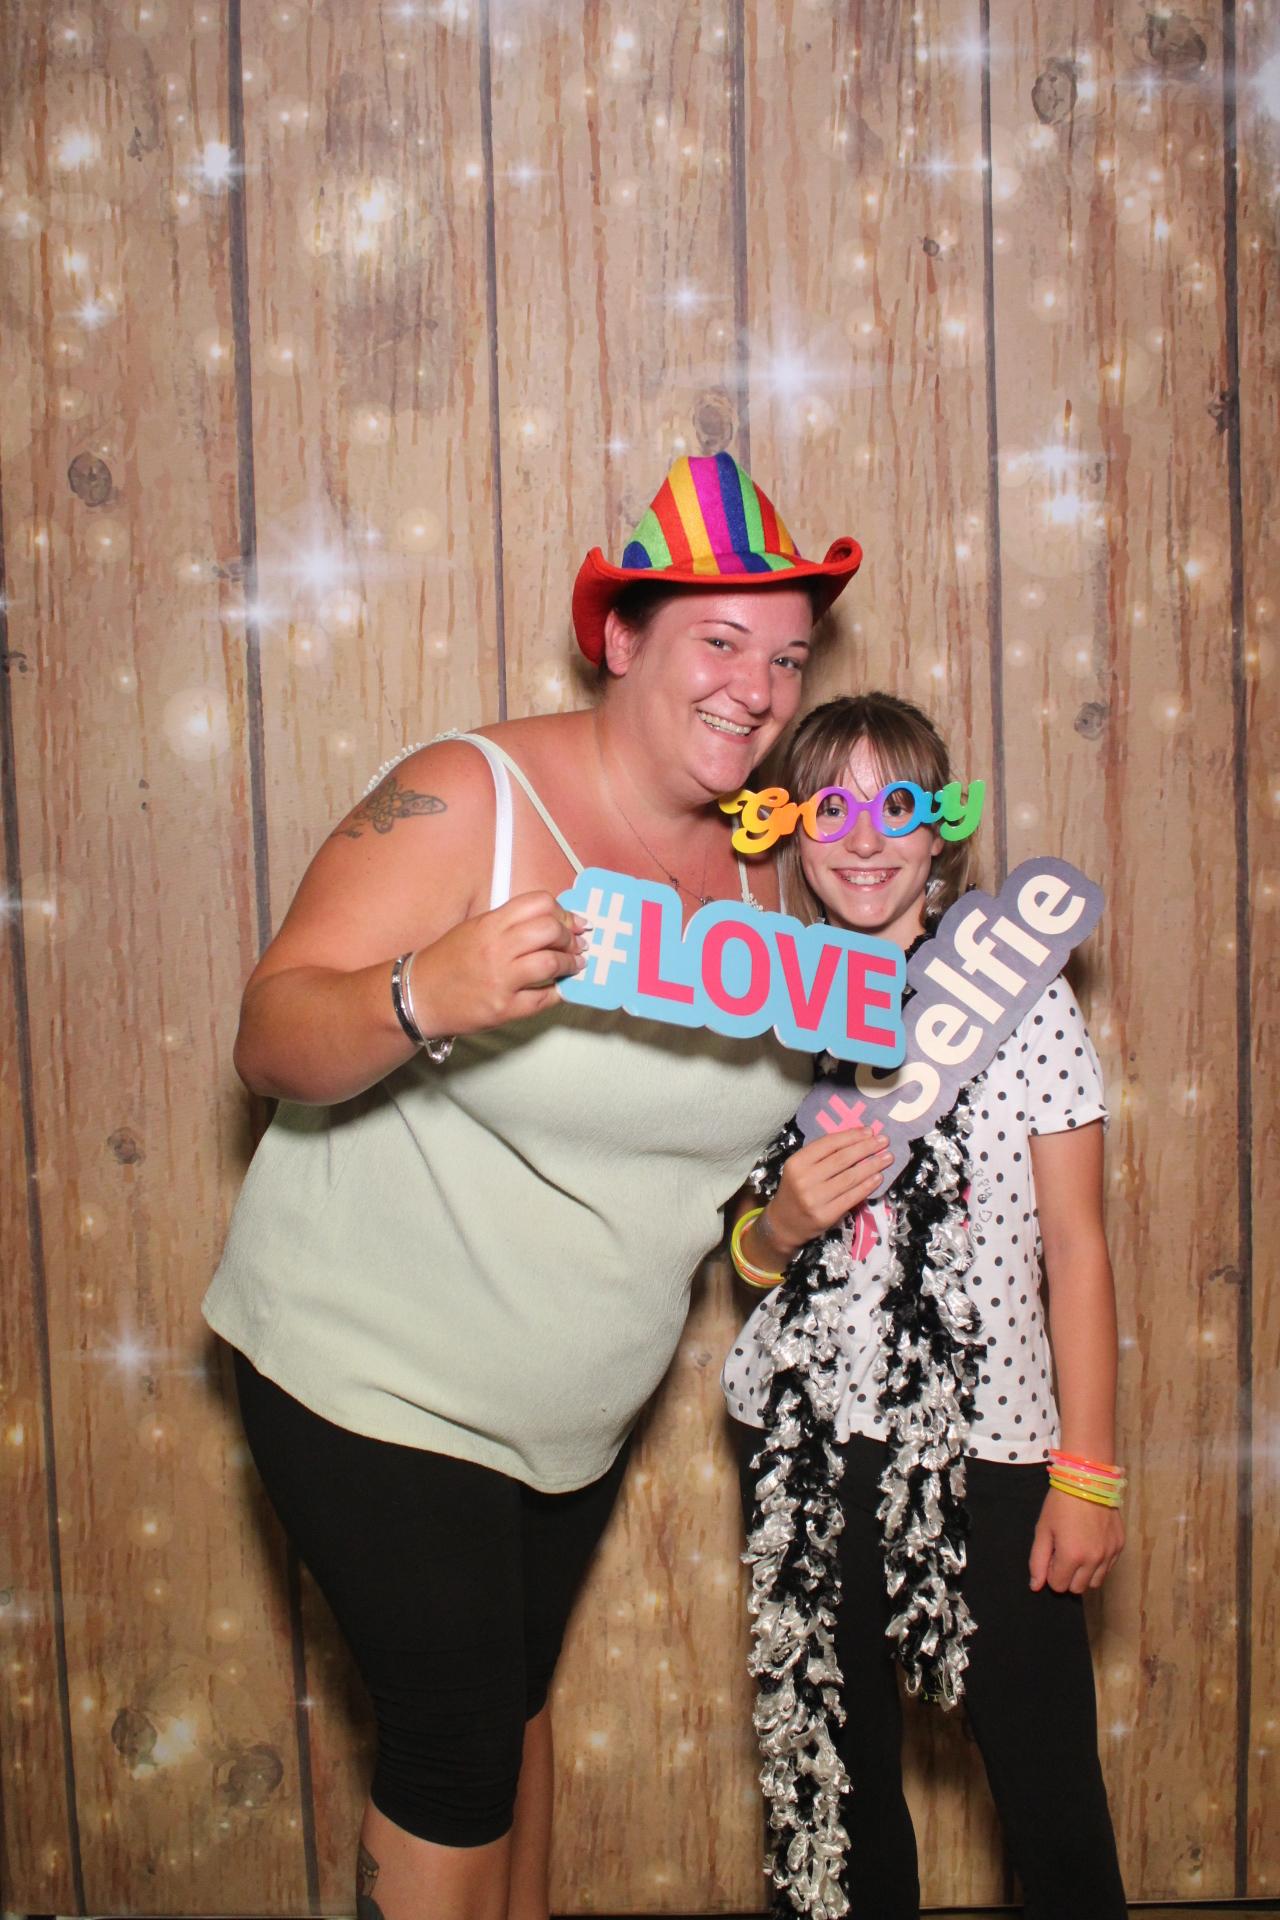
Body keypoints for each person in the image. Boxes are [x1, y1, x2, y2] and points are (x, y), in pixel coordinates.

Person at [202, 454, 861, 1920]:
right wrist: (419, 990)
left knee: (508, 1718)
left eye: (787, 656)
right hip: (371, 1372)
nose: (757, 689)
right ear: (619, 639)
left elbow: (732, 1183)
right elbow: (270, 1039)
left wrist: (788, 1220)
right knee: (451, 1748)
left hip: (570, 1415)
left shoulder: (771, 873)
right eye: (719, 640)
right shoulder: (466, 797)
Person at [722, 693, 1127, 1920]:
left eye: (893, 805)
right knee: (831, 1800)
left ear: (938, 828)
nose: (860, 837)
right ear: (789, 828)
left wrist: (1086, 1471)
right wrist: (777, 1227)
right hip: (803, 1447)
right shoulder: (762, 1009)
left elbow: (1077, 1243)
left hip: (992, 1447)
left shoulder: (1025, 1003)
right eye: (828, 805)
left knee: (1047, 1785)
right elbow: (736, 1255)